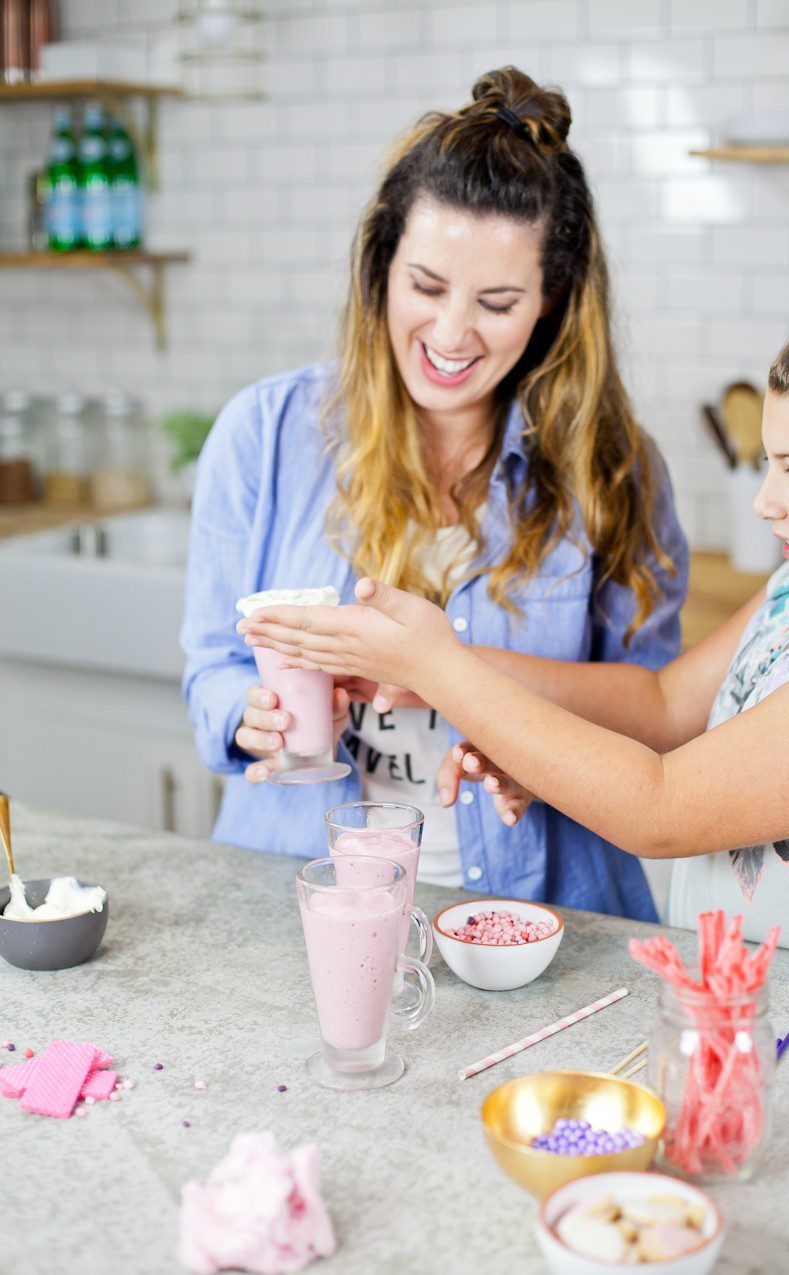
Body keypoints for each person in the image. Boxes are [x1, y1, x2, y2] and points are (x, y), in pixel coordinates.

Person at [183, 66, 688, 920]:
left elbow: (654, 708)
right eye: (425, 287)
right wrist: (250, 716)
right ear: (381, 267)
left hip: (546, 915)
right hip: (302, 905)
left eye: (497, 302)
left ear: (551, 302)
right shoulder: (262, 435)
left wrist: (500, 717)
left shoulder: (614, 468)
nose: (451, 335)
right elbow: (211, 670)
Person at [236, 301, 789, 958]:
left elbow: (659, 807)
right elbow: (664, 704)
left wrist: (438, 668)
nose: (765, 500)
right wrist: (427, 668)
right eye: (768, 465)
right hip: (738, 1003)